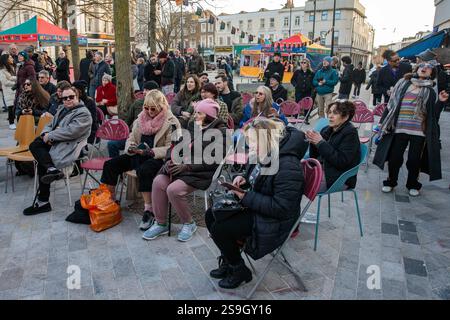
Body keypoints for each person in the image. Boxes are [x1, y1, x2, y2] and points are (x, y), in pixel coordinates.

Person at [206, 118, 307, 289]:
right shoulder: (267, 154)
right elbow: (258, 180)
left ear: (266, 140)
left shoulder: (287, 165)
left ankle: (239, 270)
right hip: (258, 207)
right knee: (211, 215)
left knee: (220, 229)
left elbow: (282, 208)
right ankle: (230, 261)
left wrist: (244, 196)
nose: (250, 146)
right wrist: (243, 180)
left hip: (275, 221)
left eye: (253, 142)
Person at [143, 98, 227, 242]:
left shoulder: (222, 133)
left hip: (201, 172)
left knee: (173, 190)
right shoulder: (193, 126)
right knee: (158, 181)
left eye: (199, 113)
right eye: (195, 112)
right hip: (182, 167)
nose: (195, 116)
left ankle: (189, 223)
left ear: (209, 115)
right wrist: (170, 160)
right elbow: (175, 145)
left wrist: (186, 166)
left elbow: (213, 161)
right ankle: (161, 223)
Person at [101, 90, 181, 230]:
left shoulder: (172, 121)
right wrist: (130, 147)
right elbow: (131, 138)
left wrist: (150, 151)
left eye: (153, 108)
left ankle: (148, 210)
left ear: (162, 106)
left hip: (158, 158)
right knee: (110, 164)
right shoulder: (140, 119)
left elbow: (172, 148)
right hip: (138, 154)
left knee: (145, 170)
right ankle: (110, 201)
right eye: (146, 108)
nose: (149, 111)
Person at [374, 65, 448, 197]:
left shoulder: (430, 91)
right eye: (422, 66)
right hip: (399, 128)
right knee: (394, 159)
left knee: (414, 161)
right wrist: (381, 124)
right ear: (417, 69)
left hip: (419, 132)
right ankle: (391, 182)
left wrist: (441, 102)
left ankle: (413, 184)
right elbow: (391, 106)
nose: (424, 68)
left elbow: (432, 116)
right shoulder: (403, 84)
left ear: (432, 74)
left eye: (429, 68)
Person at [24, 87, 92, 215]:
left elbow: (71, 131)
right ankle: (51, 170)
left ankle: (43, 201)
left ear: (77, 97)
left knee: (43, 157)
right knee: (35, 145)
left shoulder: (83, 113)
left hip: (68, 146)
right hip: (56, 141)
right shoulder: (62, 109)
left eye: (71, 97)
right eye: (64, 98)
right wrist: (46, 133)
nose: (68, 100)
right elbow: (50, 124)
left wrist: (50, 136)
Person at [306, 100, 361, 192]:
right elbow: (315, 157)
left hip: (338, 178)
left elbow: (341, 162)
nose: (330, 116)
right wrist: (313, 142)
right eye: (329, 112)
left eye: (335, 113)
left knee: (295, 185)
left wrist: (320, 143)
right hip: (323, 169)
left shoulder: (350, 133)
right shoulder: (327, 129)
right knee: (289, 175)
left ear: (345, 117)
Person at [107, 81, 160, 158]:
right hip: (134, 135)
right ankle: (116, 167)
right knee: (111, 144)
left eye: (147, 90)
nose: (144, 92)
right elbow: (128, 120)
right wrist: (124, 132)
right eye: (144, 90)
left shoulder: (159, 106)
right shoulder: (137, 103)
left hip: (149, 138)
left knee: (139, 149)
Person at [291, 58, 315, 124]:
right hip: (299, 91)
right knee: (297, 104)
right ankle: (295, 118)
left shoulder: (311, 73)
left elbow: (314, 82)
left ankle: (306, 118)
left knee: (307, 104)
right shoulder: (297, 72)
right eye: (301, 62)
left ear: (307, 64)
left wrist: (311, 87)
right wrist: (295, 85)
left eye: (304, 63)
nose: (303, 64)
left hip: (307, 91)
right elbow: (292, 80)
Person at [73, 80, 97, 144]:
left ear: (80, 91)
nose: (72, 92)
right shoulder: (73, 100)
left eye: (74, 90)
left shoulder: (89, 102)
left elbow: (92, 121)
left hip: (88, 130)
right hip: (76, 128)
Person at [0, 53, 17, 129]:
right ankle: (11, 123)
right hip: (8, 90)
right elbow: (5, 82)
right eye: (10, 58)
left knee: (15, 106)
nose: (12, 59)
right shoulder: (2, 71)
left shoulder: (12, 67)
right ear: (6, 60)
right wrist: (16, 82)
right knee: (11, 107)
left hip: (15, 90)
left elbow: (14, 77)